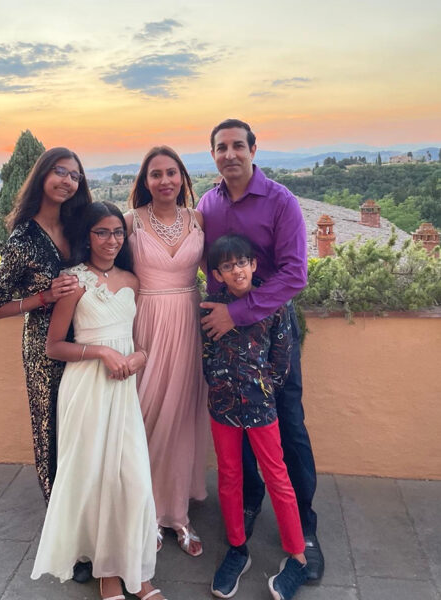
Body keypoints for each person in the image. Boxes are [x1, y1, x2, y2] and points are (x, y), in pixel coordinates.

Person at [197, 119, 324, 583]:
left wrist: (241, 311)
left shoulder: (280, 200)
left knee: (286, 424)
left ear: (253, 149)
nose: (229, 154)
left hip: (271, 329)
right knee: (234, 431)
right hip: (222, 330)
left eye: (237, 146)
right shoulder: (207, 202)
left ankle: (305, 532)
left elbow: (295, 276)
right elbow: (205, 264)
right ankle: (245, 512)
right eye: (220, 147)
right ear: (212, 155)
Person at [31, 201, 166, 600]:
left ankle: (135, 572)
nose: (111, 240)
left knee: (132, 478)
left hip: (122, 391)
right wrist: (101, 353)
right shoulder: (73, 282)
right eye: (102, 232)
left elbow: (137, 340)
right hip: (86, 390)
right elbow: (54, 347)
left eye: (117, 232)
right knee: (95, 478)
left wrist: (139, 357)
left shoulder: (132, 280)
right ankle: (108, 574)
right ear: (87, 237)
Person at [0, 147, 93, 584]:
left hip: (84, 339)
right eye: (60, 172)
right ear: (42, 176)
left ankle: (88, 523)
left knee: (81, 432)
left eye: (75, 175)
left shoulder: (77, 225)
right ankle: (66, 538)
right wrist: (45, 297)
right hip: (45, 350)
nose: (67, 181)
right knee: (52, 436)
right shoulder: (24, 238)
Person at [202, 234, 307, 600]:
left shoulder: (273, 304)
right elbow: (205, 353)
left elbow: (282, 359)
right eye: (228, 266)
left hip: (262, 407)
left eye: (242, 262)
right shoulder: (210, 306)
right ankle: (236, 549)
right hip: (223, 406)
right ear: (217, 273)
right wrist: (219, 385)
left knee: (277, 475)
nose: (237, 270)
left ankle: (297, 555)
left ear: (254, 264)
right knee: (230, 476)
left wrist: (263, 391)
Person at [124, 146, 209, 557]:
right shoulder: (129, 223)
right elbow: (111, 269)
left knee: (182, 417)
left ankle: (177, 515)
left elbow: (223, 268)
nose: (165, 181)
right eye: (155, 174)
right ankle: (147, 513)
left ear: (183, 178)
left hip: (189, 324)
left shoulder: (199, 219)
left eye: (172, 172)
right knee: (147, 416)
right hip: (147, 326)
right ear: (145, 182)